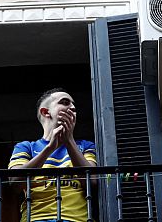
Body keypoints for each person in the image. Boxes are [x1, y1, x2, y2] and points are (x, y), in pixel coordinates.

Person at [8, 88, 97, 222]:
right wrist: (49, 149)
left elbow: (92, 183)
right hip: (36, 219)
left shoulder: (86, 146)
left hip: (77, 219)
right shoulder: (26, 147)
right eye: (65, 102)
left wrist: (69, 141)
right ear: (45, 112)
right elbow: (14, 184)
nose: (72, 108)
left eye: (74, 105)